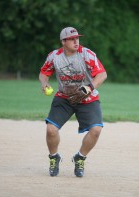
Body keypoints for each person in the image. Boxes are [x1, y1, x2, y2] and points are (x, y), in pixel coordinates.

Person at [39, 27, 107, 177]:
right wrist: (44, 84)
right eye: (71, 39)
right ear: (63, 41)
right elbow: (44, 73)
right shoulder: (54, 57)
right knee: (51, 129)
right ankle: (53, 157)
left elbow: (102, 74)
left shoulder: (86, 54)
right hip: (64, 97)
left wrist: (89, 87)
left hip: (88, 98)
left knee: (96, 130)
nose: (76, 41)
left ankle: (80, 157)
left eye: (77, 38)